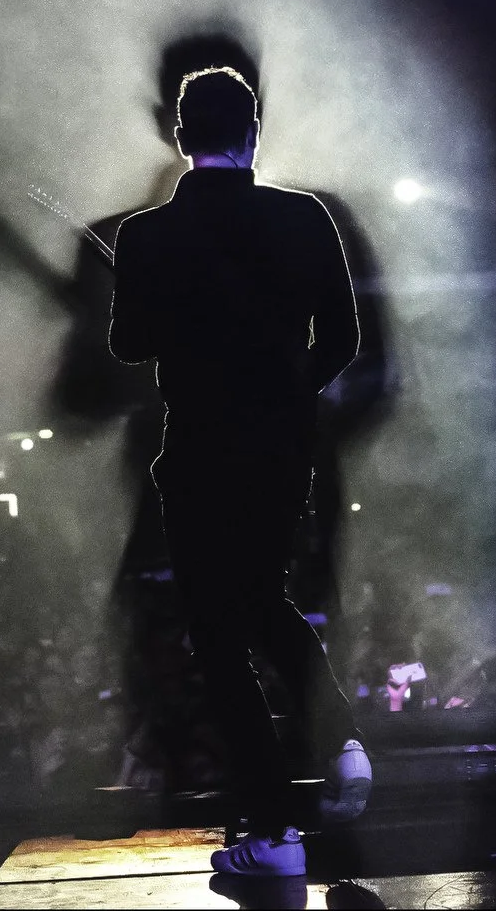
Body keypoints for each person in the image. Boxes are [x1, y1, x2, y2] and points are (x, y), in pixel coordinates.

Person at [108, 65, 371, 878]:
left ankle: (275, 830)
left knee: (219, 638)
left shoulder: (146, 236)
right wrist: (288, 395)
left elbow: (128, 343)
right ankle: (343, 742)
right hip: (281, 450)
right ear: (253, 133)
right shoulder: (304, 217)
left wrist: (162, 303)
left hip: (198, 454)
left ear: (181, 136)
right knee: (262, 599)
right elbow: (343, 339)